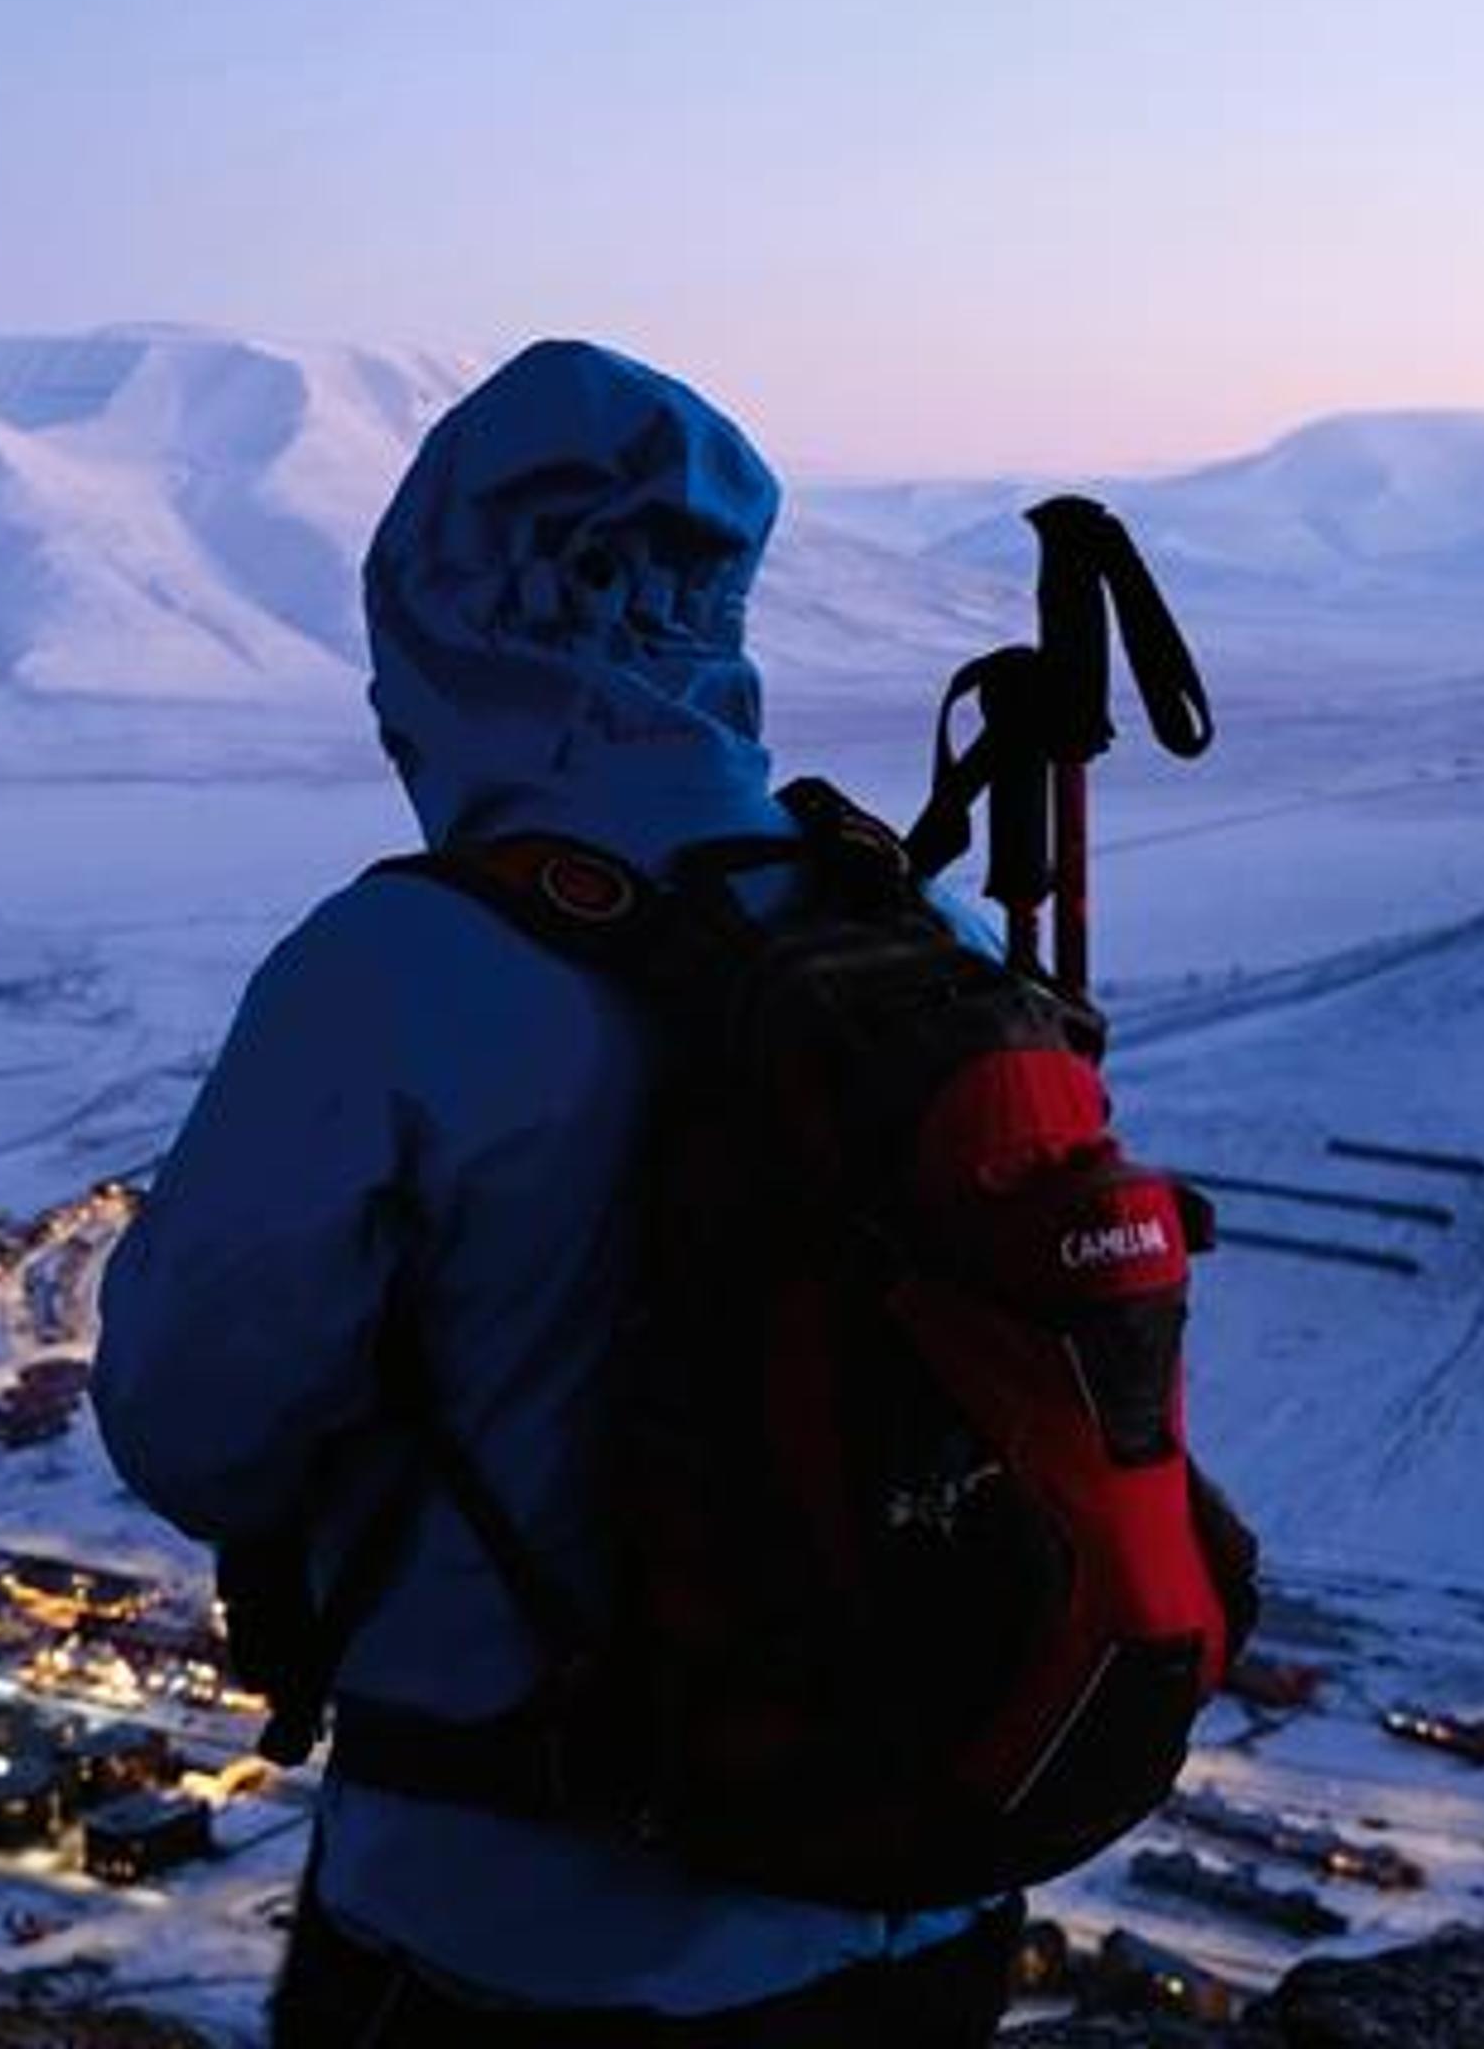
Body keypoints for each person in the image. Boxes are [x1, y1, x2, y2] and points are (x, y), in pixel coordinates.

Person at [90, 341, 1023, 2045]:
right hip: (921, 1898)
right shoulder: (927, 938)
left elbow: (190, 1424)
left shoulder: (403, 965)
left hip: (516, 1927)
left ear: (443, 632)